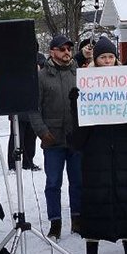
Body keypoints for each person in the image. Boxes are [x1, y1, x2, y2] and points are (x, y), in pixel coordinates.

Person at [72, 38, 127, 254]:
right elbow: (77, 134)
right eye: (102, 57)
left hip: (125, 153)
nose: (107, 61)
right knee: (95, 203)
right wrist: (76, 104)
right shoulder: (86, 84)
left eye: (110, 57)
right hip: (96, 154)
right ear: (95, 60)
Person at [28, 34, 83, 239]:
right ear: (52, 52)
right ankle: (55, 222)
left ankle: (77, 219)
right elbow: (33, 109)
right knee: (53, 183)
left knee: (77, 181)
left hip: (76, 138)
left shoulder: (79, 74)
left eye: (69, 48)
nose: (67, 52)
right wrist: (42, 132)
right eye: (62, 49)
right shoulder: (41, 77)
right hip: (52, 138)